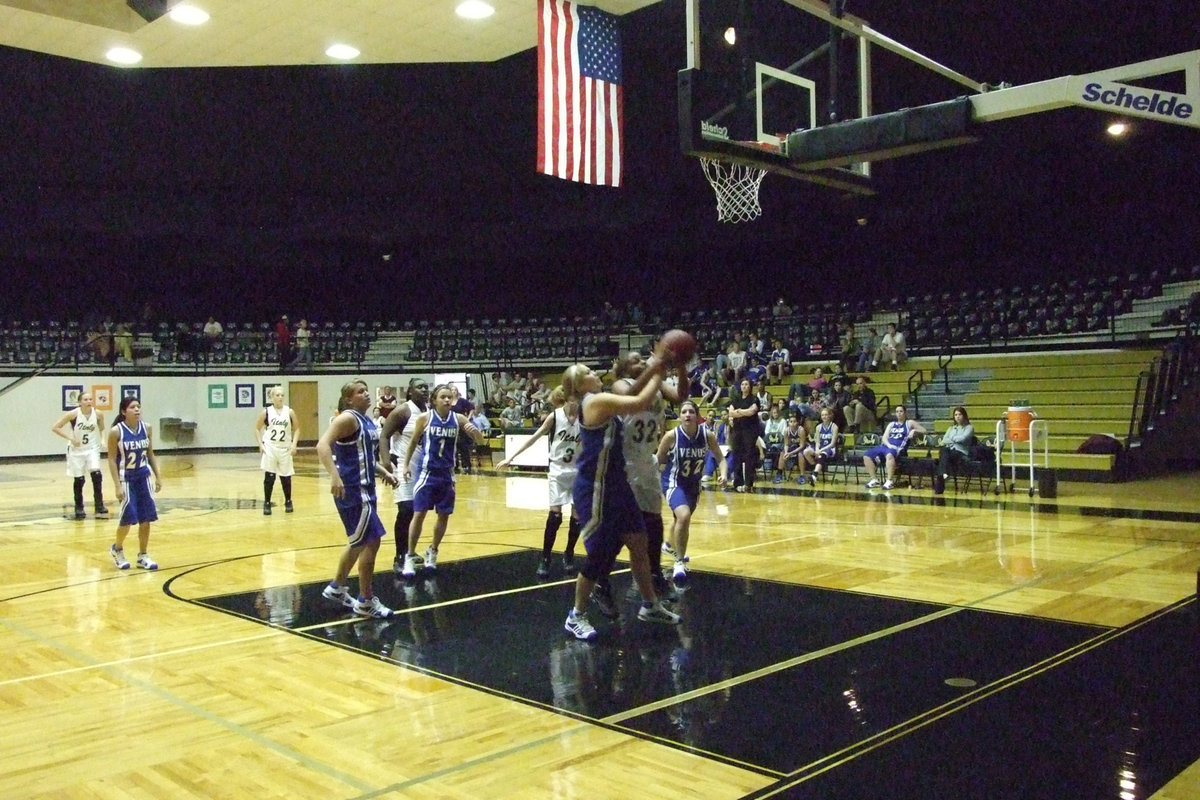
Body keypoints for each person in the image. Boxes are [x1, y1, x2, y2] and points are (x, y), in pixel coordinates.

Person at [559, 359, 679, 642]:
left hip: (618, 484)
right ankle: (575, 615)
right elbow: (639, 402)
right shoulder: (593, 402)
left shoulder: (599, 400)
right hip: (596, 487)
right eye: (587, 373)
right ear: (578, 386)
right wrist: (659, 368)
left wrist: (654, 369)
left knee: (640, 541)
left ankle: (650, 604)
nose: (593, 373)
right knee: (600, 555)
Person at [612, 346, 691, 599]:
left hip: (647, 460)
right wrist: (655, 368)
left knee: (654, 522)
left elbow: (680, 396)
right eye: (636, 360)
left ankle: (655, 572)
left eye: (642, 358)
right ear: (625, 367)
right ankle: (600, 575)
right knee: (622, 527)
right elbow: (633, 395)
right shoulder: (620, 385)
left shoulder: (655, 383)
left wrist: (679, 366)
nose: (642, 361)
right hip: (623, 462)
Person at [317, 380, 398, 618]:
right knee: (367, 541)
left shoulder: (365, 421)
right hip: (352, 489)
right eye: (360, 392)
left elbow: (362, 457)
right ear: (349, 399)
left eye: (366, 390)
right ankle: (364, 600)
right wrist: (334, 476)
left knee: (363, 541)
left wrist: (384, 472)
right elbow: (322, 446)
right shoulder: (347, 418)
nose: (366, 394)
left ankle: (338, 588)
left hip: (366, 490)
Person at [399, 384, 485, 578]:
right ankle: (410, 555)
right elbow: (413, 442)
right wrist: (405, 466)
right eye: (443, 397)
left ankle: (433, 550)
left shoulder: (459, 419)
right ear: (434, 400)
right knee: (419, 513)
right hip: (427, 473)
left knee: (443, 515)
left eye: (449, 397)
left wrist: (476, 432)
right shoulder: (425, 418)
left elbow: (480, 442)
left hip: (447, 474)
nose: (447, 400)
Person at [497, 386, 583, 578]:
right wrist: (511, 457)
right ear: (566, 397)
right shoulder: (555, 416)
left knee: (577, 519)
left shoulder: (586, 417)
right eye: (573, 396)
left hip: (578, 470)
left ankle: (569, 554)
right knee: (555, 517)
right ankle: (545, 557)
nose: (576, 400)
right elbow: (534, 438)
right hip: (558, 470)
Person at [657, 400, 726, 585]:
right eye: (684, 412)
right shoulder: (671, 436)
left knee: (680, 520)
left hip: (693, 486)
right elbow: (659, 460)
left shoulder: (707, 435)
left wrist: (725, 474)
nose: (687, 415)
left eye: (691, 412)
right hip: (673, 482)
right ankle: (679, 562)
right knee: (684, 516)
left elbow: (720, 458)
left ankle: (670, 546)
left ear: (697, 416)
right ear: (680, 416)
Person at [107, 396, 162, 570]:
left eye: (138, 406)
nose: (137, 409)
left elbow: (150, 453)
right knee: (128, 518)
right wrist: (117, 485)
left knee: (146, 518)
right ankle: (117, 548)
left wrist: (158, 476)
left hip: (143, 476)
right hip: (126, 477)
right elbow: (110, 459)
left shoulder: (147, 428)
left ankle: (143, 555)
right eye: (133, 407)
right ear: (124, 411)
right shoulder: (116, 432)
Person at [381, 378, 429, 575]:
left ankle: (410, 551)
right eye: (420, 387)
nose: (424, 389)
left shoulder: (429, 412)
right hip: (403, 465)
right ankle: (399, 555)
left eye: (426, 387)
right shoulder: (403, 411)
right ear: (410, 391)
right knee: (406, 510)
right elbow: (384, 435)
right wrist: (385, 463)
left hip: (423, 468)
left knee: (417, 512)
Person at [51, 391, 108, 519]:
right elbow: (55, 427)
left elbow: (102, 428)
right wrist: (71, 438)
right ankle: (79, 507)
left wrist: (103, 440)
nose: (89, 402)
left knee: (96, 474)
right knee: (79, 479)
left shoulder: (98, 413)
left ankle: (99, 504)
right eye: (86, 399)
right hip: (76, 450)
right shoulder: (73, 414)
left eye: (90, 399)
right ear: (80, 402)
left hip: (92, 448)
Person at [254, 385, 300, 515]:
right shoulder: (266, 412)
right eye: (277, 395)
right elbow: (257, 428)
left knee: (286, 477)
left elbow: (297, 429)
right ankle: (267, 503)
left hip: (285, 447)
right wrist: (260, 444)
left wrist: (294, 444)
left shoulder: (289, 412)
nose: (280, 397)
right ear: (271, 397)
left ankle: (288, 501)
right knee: (269, 476)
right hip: (271, 447)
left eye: (282, 395)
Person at [863, 404, 927, 490]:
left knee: (889, 455)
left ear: (905, 412)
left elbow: (924, 430)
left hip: (898, 448)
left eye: (901, 411)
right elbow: (885, 437)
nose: (899, 413)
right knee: (867, 455)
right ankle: (874, 479)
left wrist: (914, 430)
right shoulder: (891, 424)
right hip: (887, 446)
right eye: (897, 412)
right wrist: (889, 445)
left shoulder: (909, 423)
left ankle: (889, 481)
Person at [726, 378, 760, 493]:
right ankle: (737, 483)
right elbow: (730, 412)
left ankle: (748, 484)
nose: (744, 386)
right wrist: (742, 412)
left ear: (750, 386)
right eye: (742, 384)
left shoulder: (754, 398)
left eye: (746, 384)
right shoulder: (736, 399)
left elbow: (752, 411)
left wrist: (739, 412)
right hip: (737, 431)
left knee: (749, 457)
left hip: (750, 431)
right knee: (736, 456)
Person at [934, 407, 976, 495]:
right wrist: (954, 440)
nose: (957, 417)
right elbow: (944, 440)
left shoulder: (969, 427)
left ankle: (941, 482)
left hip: (962, 453)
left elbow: (963, 438)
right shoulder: (951, 428)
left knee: (944, 455)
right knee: (944, 450)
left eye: (960, 414)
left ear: (964, 415)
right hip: (950, 453)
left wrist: (951, 439)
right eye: (956, 415)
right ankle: (944, 473)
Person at [802, 406, 840, 485]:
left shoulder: (834, 427)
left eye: (826, 415)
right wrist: (816, 449)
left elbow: (832, 443)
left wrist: (820, 450)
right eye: (822, 415)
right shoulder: (818, 427)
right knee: (806, 451)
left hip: (831, 448)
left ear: (830, 416)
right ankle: (815, 470)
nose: (824, 417)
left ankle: (815, 475)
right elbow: (817, 442)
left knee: (822, 454)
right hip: (820, 447)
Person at [762, 403, 787, 483]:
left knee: (776, 448)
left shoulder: (783, 421)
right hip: (770, 442)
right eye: (773, 413)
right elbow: (766, 433)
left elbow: (783, 434)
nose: (775, 414)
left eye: (776, 413)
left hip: (779, 442)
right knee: (767, 447)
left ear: (779, 413)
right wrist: (773, 435)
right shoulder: (769, 421)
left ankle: (776, 469)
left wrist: (775, 436)